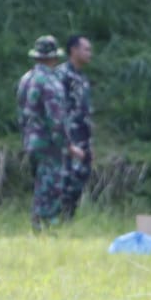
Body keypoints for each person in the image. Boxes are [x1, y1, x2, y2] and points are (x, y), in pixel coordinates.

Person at [16, 35, 74, 231]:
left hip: (30, 141)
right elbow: (56, 118)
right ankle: (45, 226)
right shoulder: (50, 82)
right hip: (49, 142)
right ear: (53, 58)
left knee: (40, 183)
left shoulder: (26, 79)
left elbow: (22, 113)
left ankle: (38, 223)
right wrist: (66, 143)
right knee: (51, 185)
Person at [56, 34, 94, 219]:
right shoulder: (61, 76)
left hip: (83, 138)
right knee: (65, 181)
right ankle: (58, 220)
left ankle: (68, 219)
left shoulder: (82, 78)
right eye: (86, 49)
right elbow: (55, 110)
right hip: (68, 139)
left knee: (79, 180)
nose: (90, 53)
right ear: (74, 50)